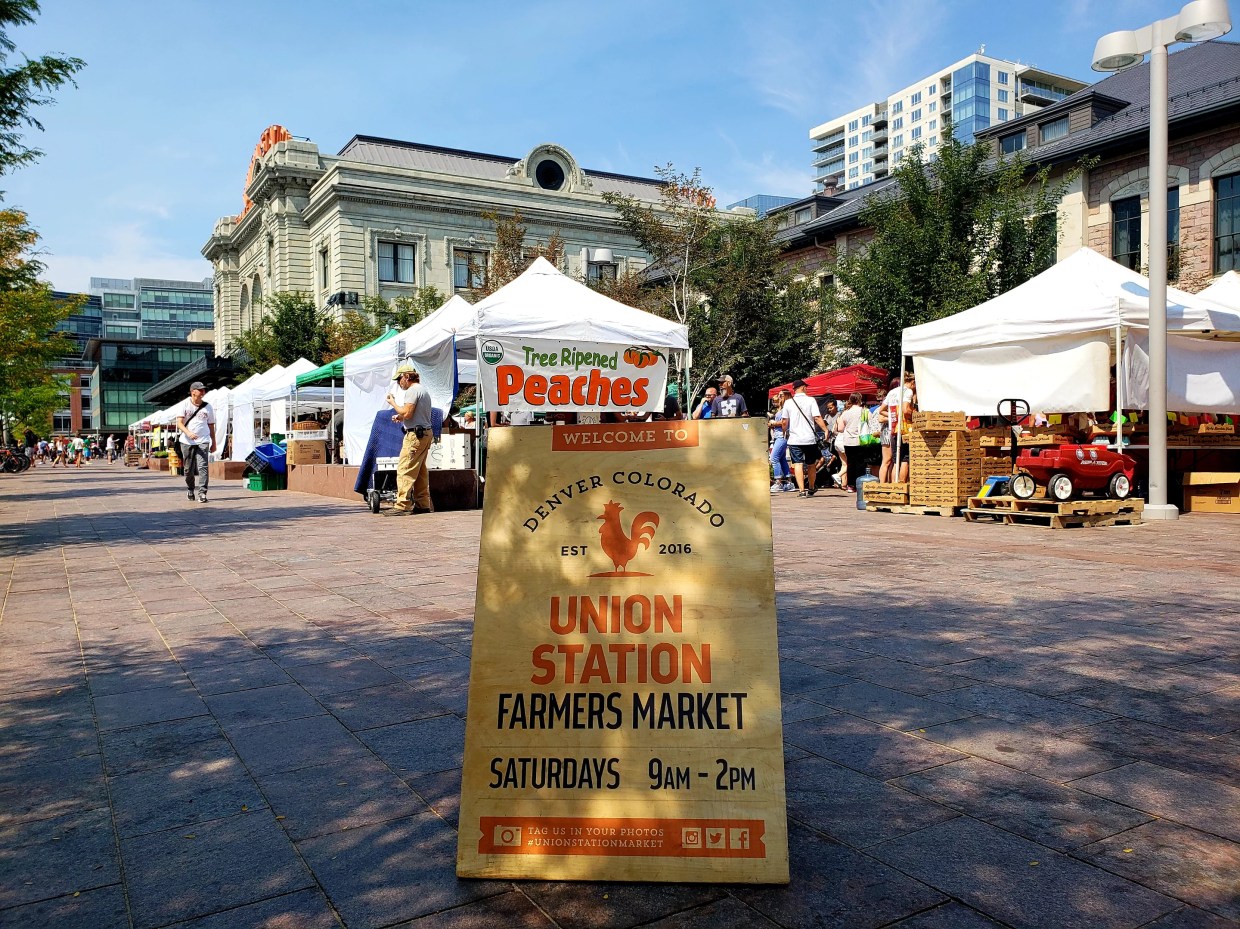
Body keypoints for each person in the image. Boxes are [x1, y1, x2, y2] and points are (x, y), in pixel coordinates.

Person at [387, 361, 434, 514]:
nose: (398, 382)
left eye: (399, 379)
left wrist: (393, 403)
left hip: (415, 435)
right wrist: (401, 417)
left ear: (406, 377)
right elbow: (413, 414)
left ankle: (402, 505)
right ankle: (423, 504)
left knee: (405, 469)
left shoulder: (412, 391)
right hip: (425, 433)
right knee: (420, 471)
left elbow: (407, 413)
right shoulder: (422, 390)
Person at [779, 379, 829, 498]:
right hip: (809, 439)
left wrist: (784, 432)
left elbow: (784, 421)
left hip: (794, 439)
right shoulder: (811, 400)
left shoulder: (788, 403)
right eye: (806, 387)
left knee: (798, 464)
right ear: (802, 387)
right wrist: (825, 430)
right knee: (811, 464)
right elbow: (817, 417)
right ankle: (811, 488)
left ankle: (801, 491)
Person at [176, 381, 216, 503]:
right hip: (186, 441)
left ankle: (202, 493)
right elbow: (179, 423)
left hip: (203, 440)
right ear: (193, 392)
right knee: (188, 469)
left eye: (204, 390)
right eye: (200, 390)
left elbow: (211, 426)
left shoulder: (208, 407)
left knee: (203, 467)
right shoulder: (184, 404)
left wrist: (214, 442)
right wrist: (188, 433)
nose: (203, 392)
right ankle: (190, 488)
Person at [879, 373, 915, 483]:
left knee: (896, 461)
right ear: (912, 382)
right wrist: (916, 415)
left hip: (893, 429)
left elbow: (881, 410)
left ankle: (895, 486)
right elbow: (905, 410)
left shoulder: (892, 392)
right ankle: (902, 485)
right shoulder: (908, 391)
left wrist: (893, 416)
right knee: (905, 459)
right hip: (904, 429)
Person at [834, 392, 867, 492]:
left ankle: (850, 485)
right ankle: (859, 485)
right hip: (861, 439)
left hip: (848, 440)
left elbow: (840, 429)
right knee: (860, 463)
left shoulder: (845, 413)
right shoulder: (864, 411)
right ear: (860, 400)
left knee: (850, 463)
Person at [767, 390, 794, 493]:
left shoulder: (786, 409)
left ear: (786, 396)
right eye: (779, 395)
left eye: (781, 395)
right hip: (779, 435)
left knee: (774, 458)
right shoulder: (781, 408)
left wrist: (773, 423)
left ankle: (778, 482)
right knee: (782, 459)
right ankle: (789, 482)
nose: (779, 397)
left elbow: (784, 423)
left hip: (782, 435)